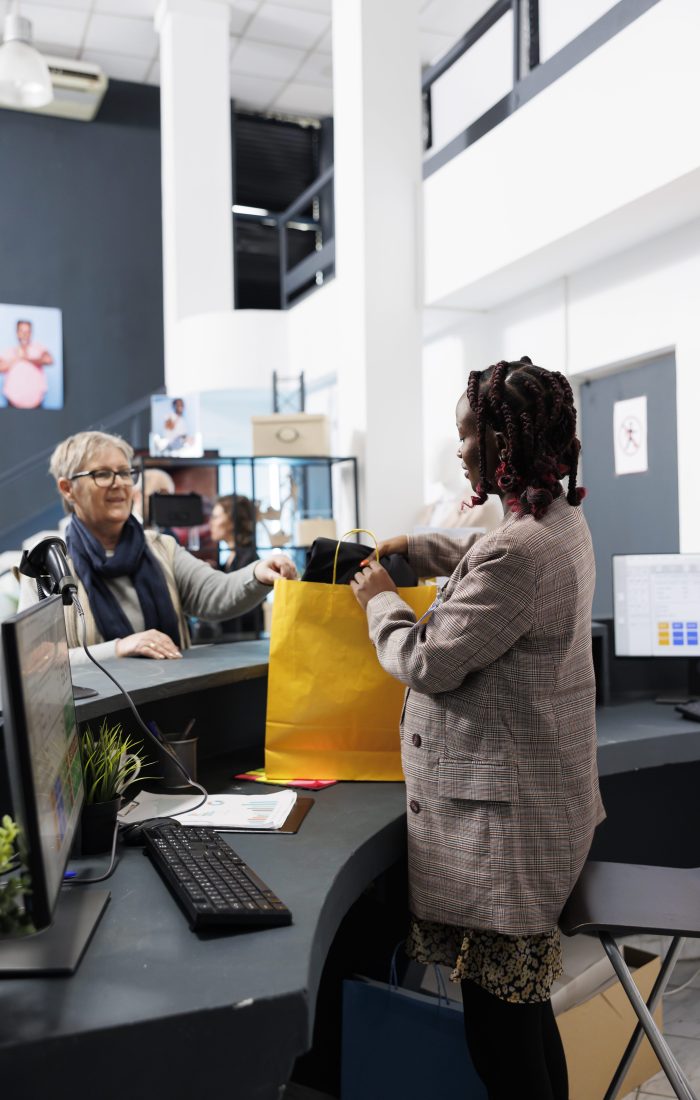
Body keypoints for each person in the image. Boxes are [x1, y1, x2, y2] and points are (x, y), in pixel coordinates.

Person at [350, 358, 603, 1100]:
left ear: (508, 439)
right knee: (521, 1019)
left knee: (500, 1040)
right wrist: (417, 548)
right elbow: (481, 552)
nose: (459, 448)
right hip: (537, 811)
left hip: (507, 835)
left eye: (469, 433)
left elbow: (427, 658)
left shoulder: (521, 553)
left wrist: (380, 598)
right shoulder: (558, 519)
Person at [18, 431, 296, 665]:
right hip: (95, 727)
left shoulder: (161, 548)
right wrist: (118, 649)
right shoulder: (47, 565)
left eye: (125, 473)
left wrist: (258, 573)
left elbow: (215, 593)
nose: (119, 484)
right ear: (67, 488)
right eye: (103, 474)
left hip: (170, 712)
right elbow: (37, 662)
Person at [206, 494, 264, 637]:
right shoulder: (232, 558)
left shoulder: (249, 560)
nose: (211, 523)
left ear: (232, 521)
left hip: (243, 641)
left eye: (215, 517)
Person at [0, 319, 54, 409]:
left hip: (37, 406)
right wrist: (18, 358)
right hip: (12, 405)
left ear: (31, 333)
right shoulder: (9, 351)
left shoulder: (39, 349)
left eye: (27, 331)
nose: (25, 334)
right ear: (17, 333)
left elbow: (49, 360)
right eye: (22, 331)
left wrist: (27, 358)